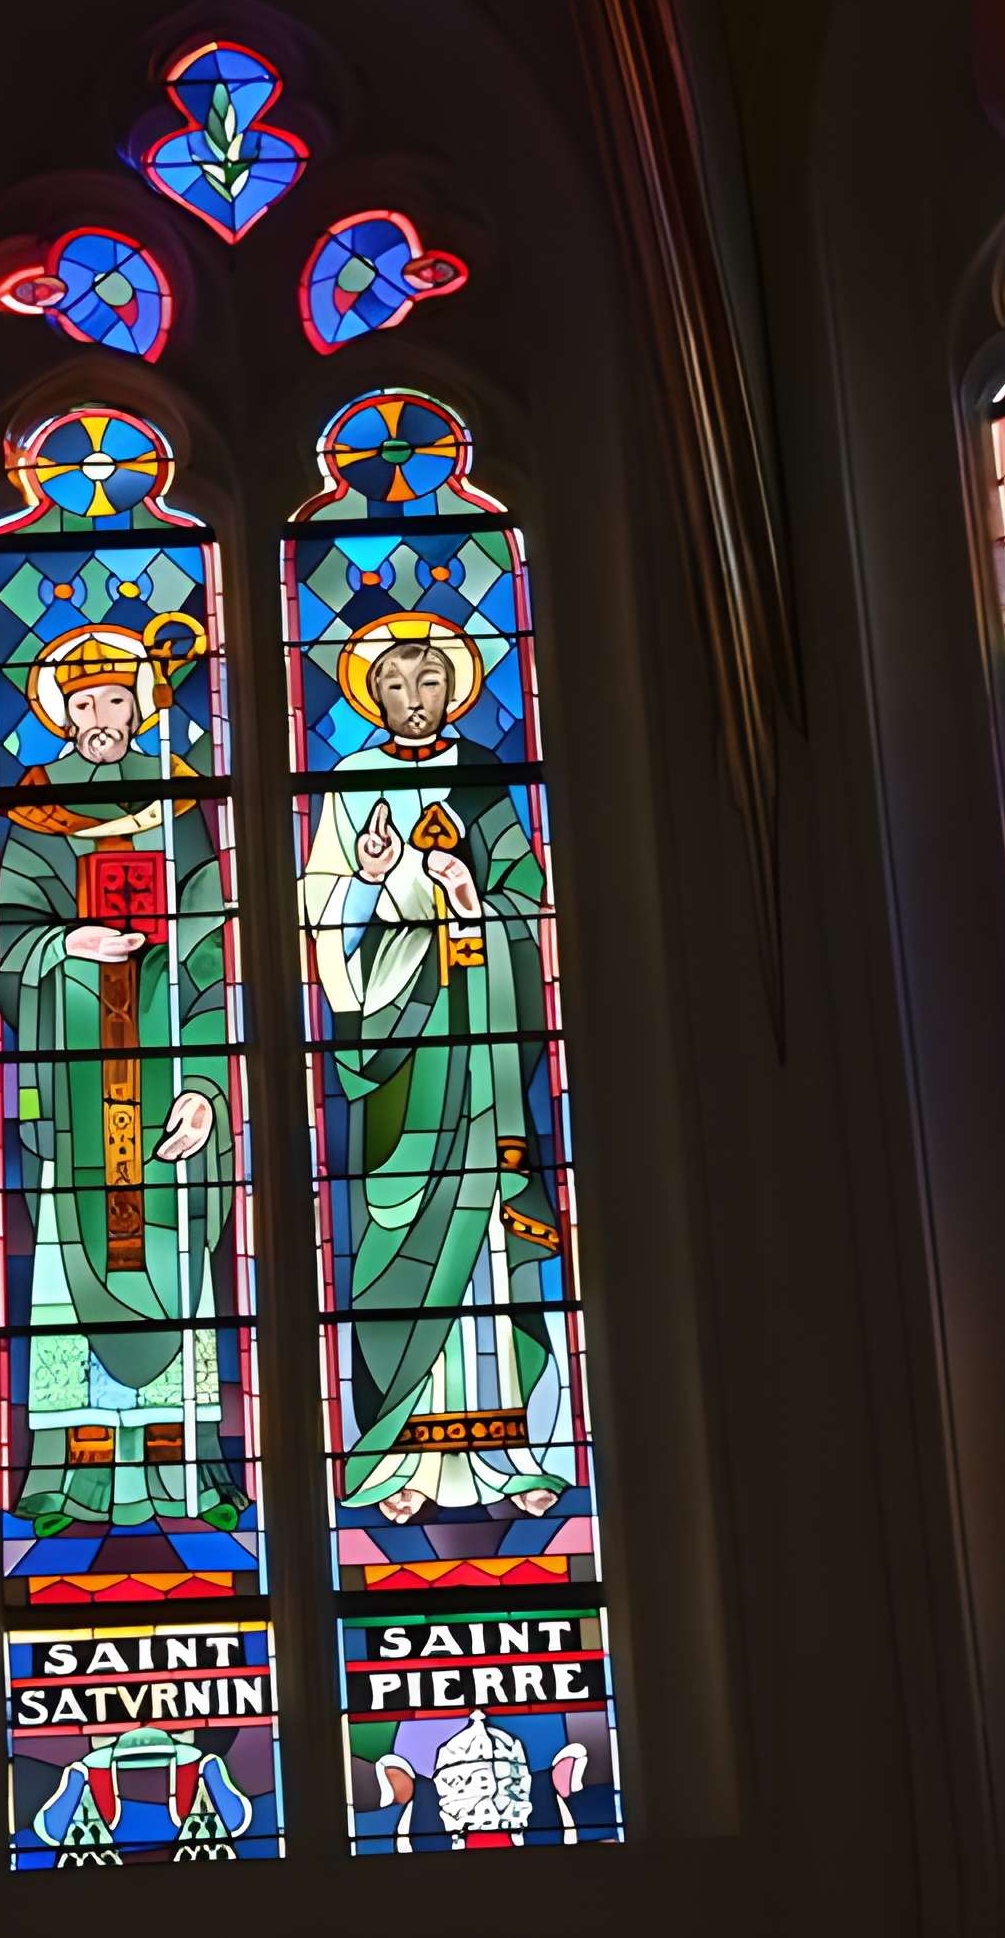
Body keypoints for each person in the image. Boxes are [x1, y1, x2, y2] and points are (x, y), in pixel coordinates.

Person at [301, 613, 574, 1525]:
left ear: (451, 691)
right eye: (393, 688)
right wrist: (376, 884)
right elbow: (321, 907)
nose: (412, 703)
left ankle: (515, 1452)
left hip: (484, 1046)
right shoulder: (347, 785)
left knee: (497, 1254)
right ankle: (406, 1462)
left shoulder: (488, 780)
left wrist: (468, 900)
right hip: (397, 1058)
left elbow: (527, 897)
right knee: (400, 1247)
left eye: (427, 685)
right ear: (371, 697)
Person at [0, 616, 245, 1539]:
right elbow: (8, 941)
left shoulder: (181, 811)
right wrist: (69, 944)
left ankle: (178, 1470)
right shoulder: (34, 811)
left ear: (142, 706)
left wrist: (207, 1090)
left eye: (116, 698)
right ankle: (75, 1477)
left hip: (163, 1067)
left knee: (174, 1264)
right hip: (77, 1092)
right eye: (84, 701)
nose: (102, 715)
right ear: (62, 714)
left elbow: (214, 953)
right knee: (71, 1267)